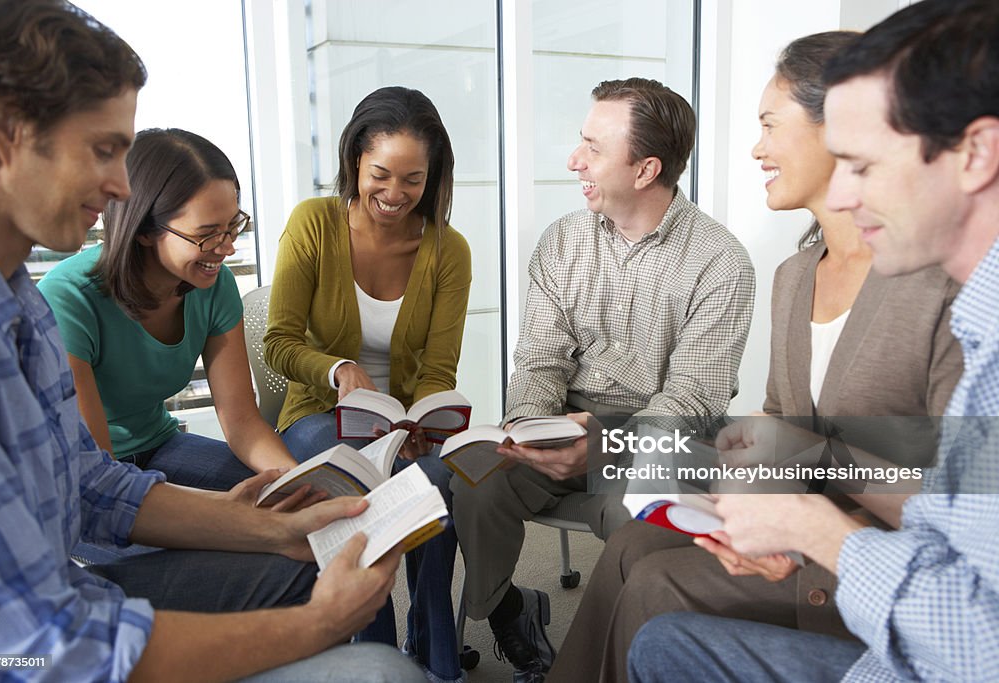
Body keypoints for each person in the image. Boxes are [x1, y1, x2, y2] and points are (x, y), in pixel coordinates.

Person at [0, 1, 422, 681]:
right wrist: (317, 623)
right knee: (378, 669)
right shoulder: (56, 301)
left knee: (293, 532)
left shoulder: (16, 304)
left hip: (96, 552)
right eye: (102, 150)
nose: (120, 185)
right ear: (8, 133)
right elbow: (35, 649)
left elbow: (93, 485)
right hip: (56, 639)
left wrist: (272, 521)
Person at [548, 31, 964, 683]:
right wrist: (725, 476)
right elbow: (782, 421)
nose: (757, 148)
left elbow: (955, 503)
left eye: (771, 125)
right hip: (796, 521)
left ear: (841, 126)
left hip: (878, 558)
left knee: (658, 582)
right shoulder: (795, 276)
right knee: (634, 539)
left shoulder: (939, 282)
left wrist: (816, 471)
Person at [450, 77, 756, 682]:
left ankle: (610, 657)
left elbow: (691, 399)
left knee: (635, 514)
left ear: (645, 170)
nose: (574, 161)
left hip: (660, 440)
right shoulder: (562, 241)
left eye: (592, 147)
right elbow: (538, 359)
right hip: (563, 421)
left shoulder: (721, 263)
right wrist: (532, 431)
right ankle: (510, 609)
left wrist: (606, 441)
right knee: (473, 481)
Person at [264, 86, 471, 683]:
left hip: (404, 424)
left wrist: (417, 424)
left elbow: (438, 367)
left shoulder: (447, 251)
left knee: (437, 485)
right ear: (355, 159)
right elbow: (279, 341)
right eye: (381, 174)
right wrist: (337, 370)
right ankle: (373, 647)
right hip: (316, 415)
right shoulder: (314, 224)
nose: (395, 194)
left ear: (432, 178)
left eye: (413, 179)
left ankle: (437, 659)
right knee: (360, 479)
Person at [38, 128, 299, 501]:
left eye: (232, 227)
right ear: (145, 230)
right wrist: (225, 511)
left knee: (285, 500)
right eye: (207, 234)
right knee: (240, 535)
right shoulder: (67, 300)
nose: (226, 248)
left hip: (160, 446)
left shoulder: (214, 285)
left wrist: (298, 479)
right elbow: (98, 481)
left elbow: (241, 420)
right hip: (87, 483)